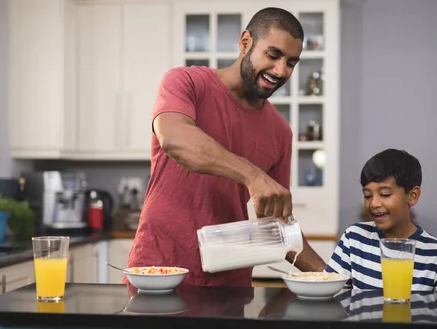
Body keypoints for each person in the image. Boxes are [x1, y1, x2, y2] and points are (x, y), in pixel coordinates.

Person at [127, 7, 325, 287]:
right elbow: (174, 138)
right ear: (245, 42)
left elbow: (279, 227)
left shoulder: (281, 133)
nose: (281, 71)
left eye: (291, 62)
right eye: (273, 55)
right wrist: (253, 175)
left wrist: (332, 276)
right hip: (158, 271)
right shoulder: (186, 82)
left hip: (228, 285)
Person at [325, 149, 437, 292]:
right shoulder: (354, 238)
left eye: (385, 194)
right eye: (368, 195)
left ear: (412, 196)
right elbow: (333, 296)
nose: (374, 203)